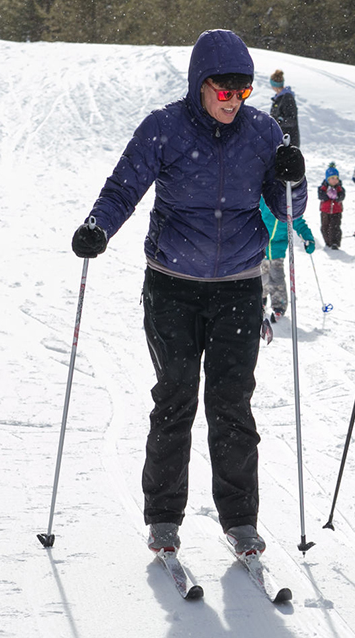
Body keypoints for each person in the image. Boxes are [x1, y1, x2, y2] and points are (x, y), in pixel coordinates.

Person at [70, 29, 308, 560]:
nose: (232, 100)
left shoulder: (263, 133)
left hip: (238, 291)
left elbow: (290, 211)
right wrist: (97, 227)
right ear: (200, 84)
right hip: (172, 288)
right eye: (223, 90)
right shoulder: (164, 128)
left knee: (232, 405)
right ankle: (162, 517)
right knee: (175, 399)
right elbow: (123, 188)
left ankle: (240, 520)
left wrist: (295, 177)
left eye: (242, 91)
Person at [259, 197, 315, 323]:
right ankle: (260, 299)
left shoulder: (289, 207)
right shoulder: (264, 200)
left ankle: (279, 306)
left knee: (276, 278)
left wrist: (308, 238)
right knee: (261, 277)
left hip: (278, 248)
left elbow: (299, 223)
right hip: (261, 246)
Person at [317, 162, 346, 250]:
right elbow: (320, 195)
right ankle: (328, 241)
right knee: (325, 227)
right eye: (332, 178)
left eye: (336, 178)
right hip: (325, 211)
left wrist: (338, 197)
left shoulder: (339, 188)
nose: (334, 180)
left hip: (336, 211)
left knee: (335, 227)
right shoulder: (323, 188)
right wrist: (325, 196)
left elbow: (342, 196)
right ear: (327, 179)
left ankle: (335, 242)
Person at [270, 69, 300, 147]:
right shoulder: (278, 98)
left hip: (289, 141)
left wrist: (279, 121)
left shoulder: (287, 98)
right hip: (281, 140)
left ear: (274, 85)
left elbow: (291, 120)